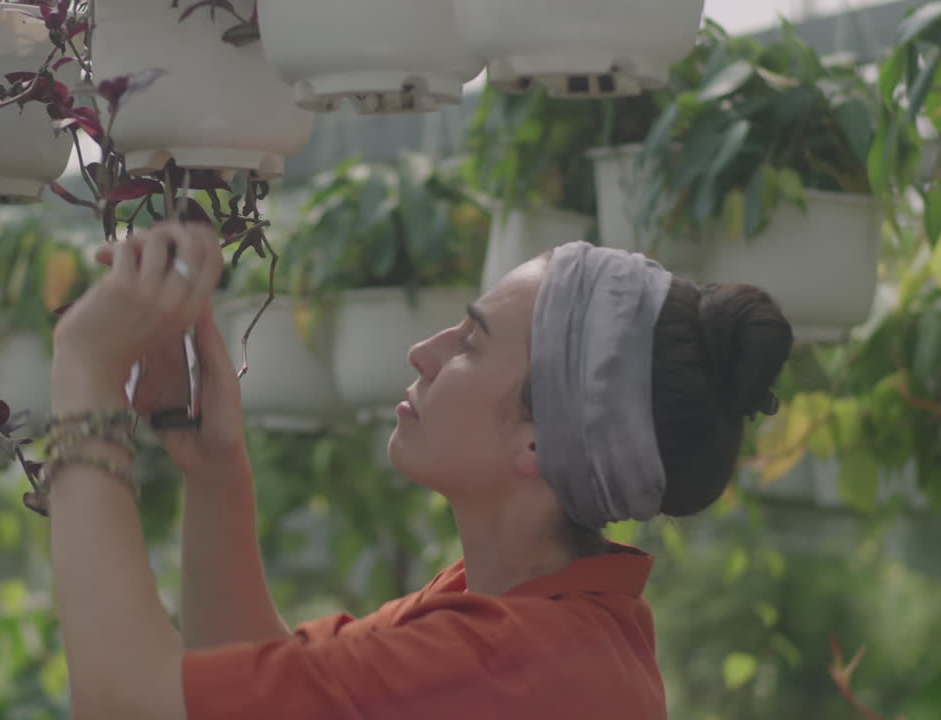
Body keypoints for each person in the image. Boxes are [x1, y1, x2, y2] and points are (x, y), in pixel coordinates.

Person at [42, 220, 793, 719]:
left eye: (470, 342)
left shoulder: (511, 663)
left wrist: (86, 376)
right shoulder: (517, 615)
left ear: (539, 442)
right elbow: (258, 687)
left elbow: (123, 706)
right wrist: (214, 469)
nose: (423, 352)